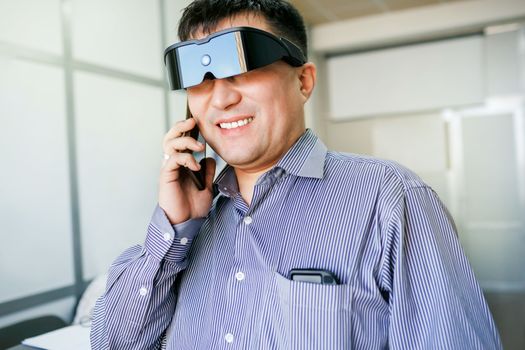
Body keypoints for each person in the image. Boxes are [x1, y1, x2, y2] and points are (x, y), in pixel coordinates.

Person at [91, 0, 502, 349]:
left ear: (303, 81)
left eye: (243, 68)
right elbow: (113, 343)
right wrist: (175, 229)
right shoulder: (187, 219)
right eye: (200, 81)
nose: (222, 97)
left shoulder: (391, 198)